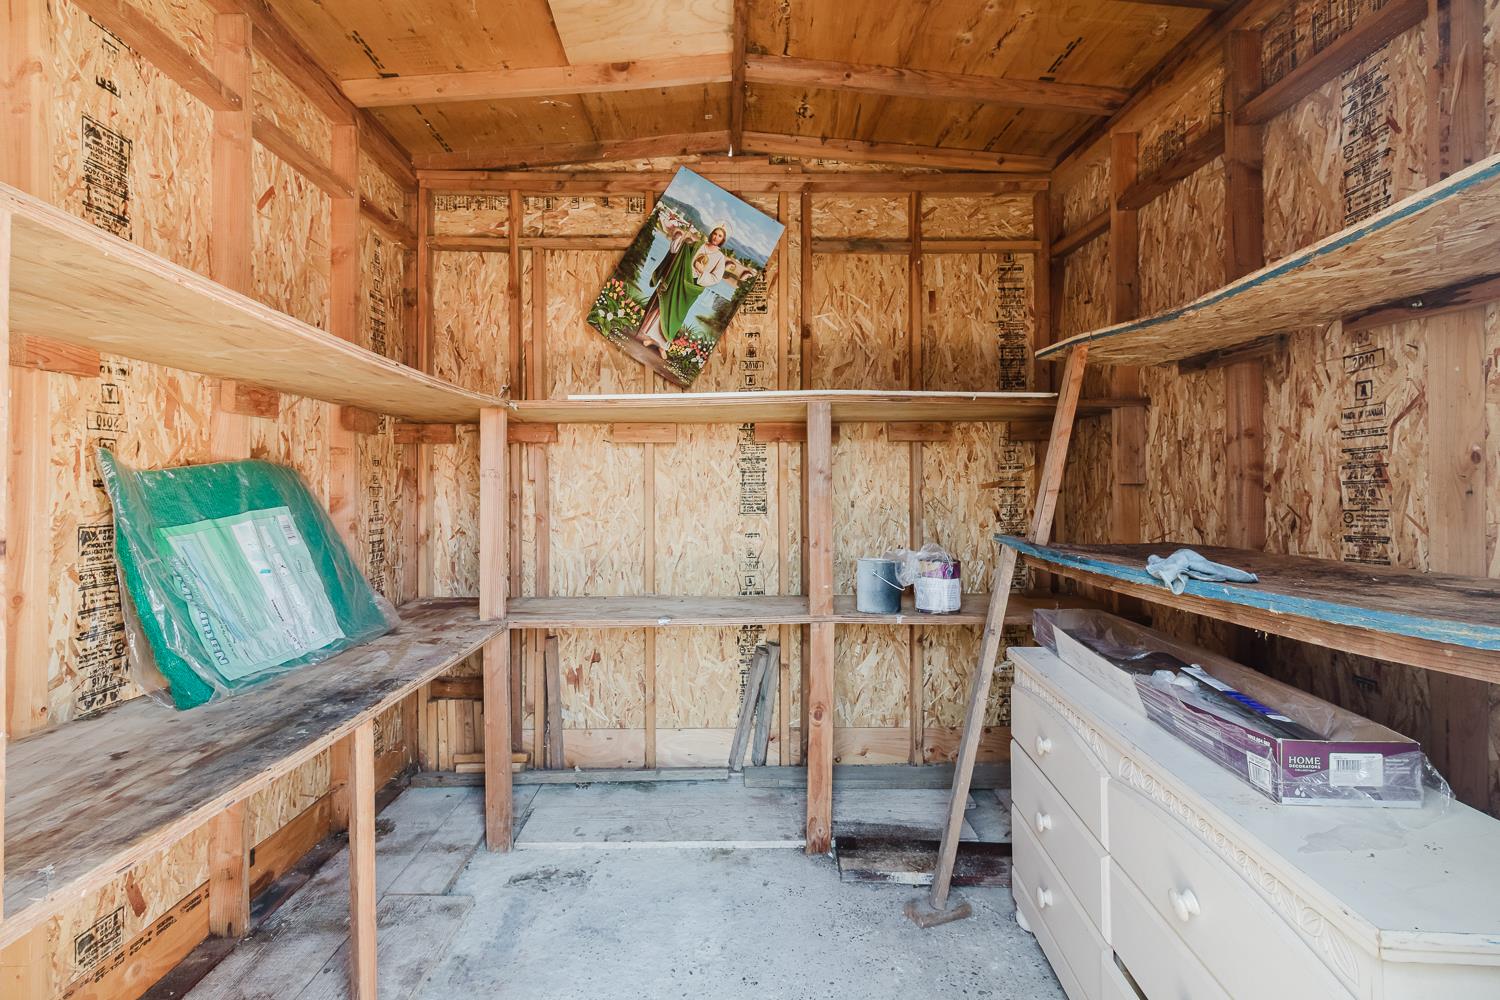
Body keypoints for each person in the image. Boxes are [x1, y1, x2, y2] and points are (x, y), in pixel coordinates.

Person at [636, 219, 730, 360]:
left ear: (723, 240)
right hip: (678, 280)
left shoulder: (720, 257)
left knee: (676, 315)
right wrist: (681, 240)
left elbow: (716, 278)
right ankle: (652, 339)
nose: (716, 237)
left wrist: (702, 272)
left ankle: (663, 346)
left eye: (720, 236)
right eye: (715, 234)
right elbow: (680, 254)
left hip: (691, 288)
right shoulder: (699, 245)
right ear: (712, 234)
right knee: (664, 309)